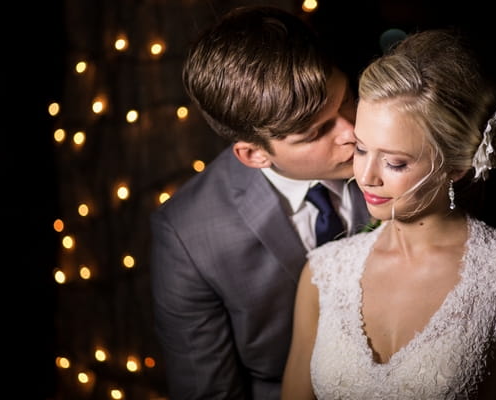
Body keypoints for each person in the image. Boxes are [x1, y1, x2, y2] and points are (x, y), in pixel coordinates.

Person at [281, 29, 496, 399]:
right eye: (362, 149)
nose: (365, 177)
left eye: (395, 162)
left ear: (457, 167)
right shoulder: (323, 273)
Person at [149, 5, 372, 399]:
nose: (354, 133)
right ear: (254, 155)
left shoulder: (401, 142)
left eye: (347, 100)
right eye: (318, 131)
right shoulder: (187, 236)